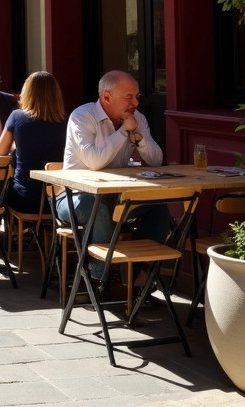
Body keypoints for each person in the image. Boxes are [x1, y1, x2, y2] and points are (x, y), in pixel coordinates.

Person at [54, 70, 167, 279]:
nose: (135, 103)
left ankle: (141, 279)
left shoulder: (137, 119)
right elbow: (94, 162)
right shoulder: (82, 117)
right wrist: (124, 131)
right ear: (106, 97)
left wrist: (138, 139)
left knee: (158, 207)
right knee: (99, 208)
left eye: (137, 96)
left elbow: (156, 160)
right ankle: (99, 279)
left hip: (117, 196)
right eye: (129, 97)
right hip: (73, 196)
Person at [0, 71, 68, 214]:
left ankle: (7, 234)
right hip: (58, 200)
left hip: (25, 197)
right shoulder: (66, 121)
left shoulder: (17, 116)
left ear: (27, 93)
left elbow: (1, 151)